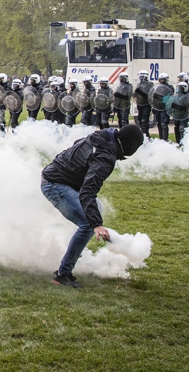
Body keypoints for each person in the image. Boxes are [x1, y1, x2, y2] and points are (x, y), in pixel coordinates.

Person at [41, 124, 145, 287]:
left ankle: (76, 255)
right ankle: (63, 274)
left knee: (98, 209)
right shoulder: (105, 157)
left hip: (60, 180)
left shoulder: (105, 136)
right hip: (55, 184)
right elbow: (88, 191)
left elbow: (78, 144)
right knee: (88, 224)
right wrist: (96, 225)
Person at [134, 70, 153, 138]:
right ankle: (142, 134)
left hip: (146, 104)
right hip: (140, 104)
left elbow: (150, 95)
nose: (141, 78)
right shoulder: (139, 85)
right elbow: (135, 95)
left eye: (142, 77)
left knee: (144, 120)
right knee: (139, 120)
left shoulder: (150, 84)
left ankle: (146, 135)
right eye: (140, 77)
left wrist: (140, 92)